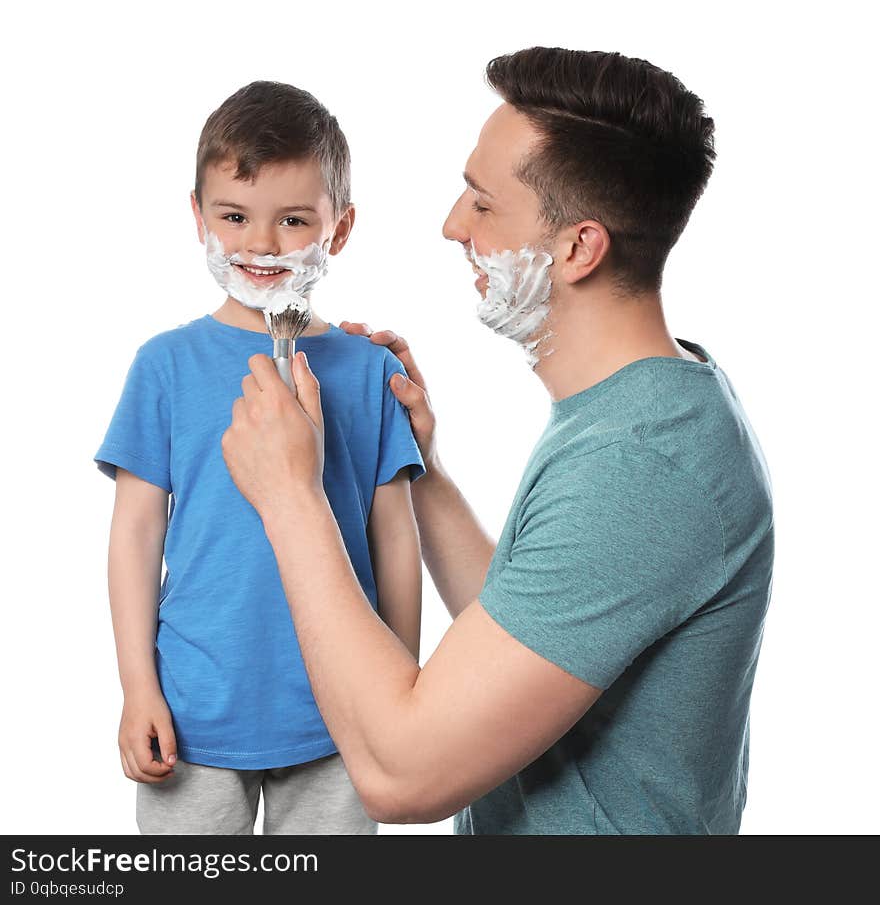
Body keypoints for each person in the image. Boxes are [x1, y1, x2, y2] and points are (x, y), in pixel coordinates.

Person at [220, 48, 774, 834]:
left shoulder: (642, 464)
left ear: (579, 248)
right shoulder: (639, 405)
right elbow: (538, 638)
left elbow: (399, 774)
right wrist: (427, 477)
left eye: (483, 204)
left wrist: (288, 494)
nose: (452, 225)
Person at [94, 81, 424, 835]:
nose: (262, 244)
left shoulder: (370, 371)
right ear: (197, 216)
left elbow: (394, 538)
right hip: (194, 715)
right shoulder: (165, 366)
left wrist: (399, 698)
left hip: (340, 717)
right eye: (235, 215)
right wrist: (136, 687)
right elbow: (136, 535)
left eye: (294, 220)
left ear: (338, 229)